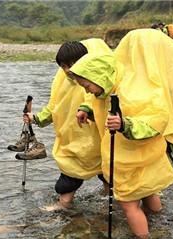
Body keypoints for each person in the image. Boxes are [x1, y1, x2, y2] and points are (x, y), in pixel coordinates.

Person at [70, 29, 173, 239]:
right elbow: (97, 95)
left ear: (98, 77)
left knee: (128, 204)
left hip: (131, 160)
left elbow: (156, 121)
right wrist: (86, 106)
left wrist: (125, 126)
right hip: (140, 158)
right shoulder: (114, 82)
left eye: (87, 86)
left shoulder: (136, 91)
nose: (87, 90)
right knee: (148, 191)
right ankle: (159, 222)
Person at [22, 39, 112, 211]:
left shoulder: (95, 80)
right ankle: (66, 204)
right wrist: (36, 118)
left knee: (106, 174)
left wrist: (87, 110)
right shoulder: (62, 81)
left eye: (71, 65)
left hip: (95, 140)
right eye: (63, 66)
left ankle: (105, 202)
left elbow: (100, 103)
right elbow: (54, 107)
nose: (67, 70)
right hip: (73, 140)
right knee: (71, 176)